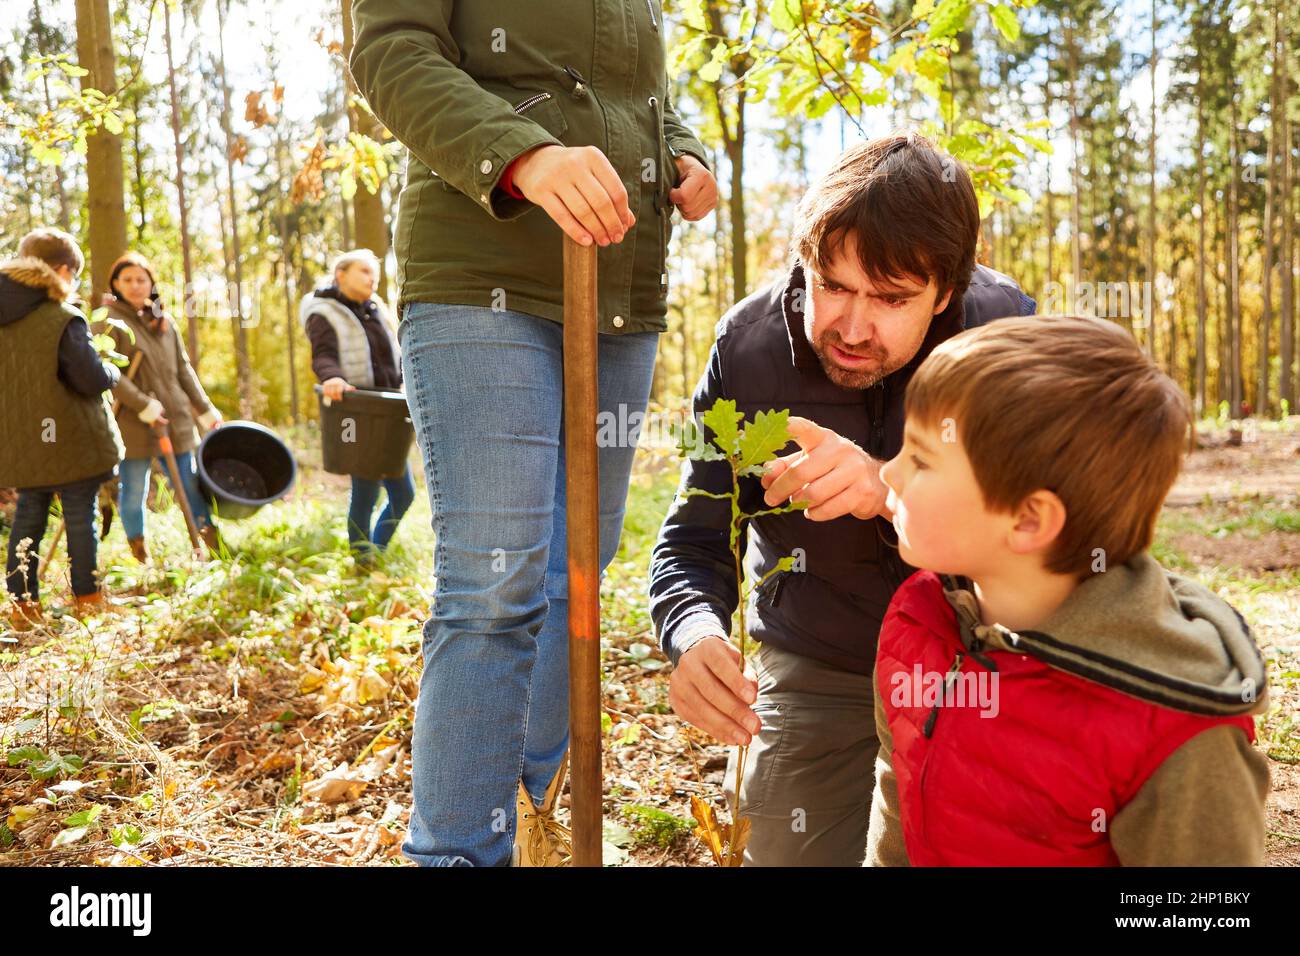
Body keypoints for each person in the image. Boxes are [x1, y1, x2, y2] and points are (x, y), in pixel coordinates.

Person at [350, 0, 717, 866]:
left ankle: (534, 815)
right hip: (481, 277)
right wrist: (524, 156)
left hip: (620, 290)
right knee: (495, 584)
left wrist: (684, 152)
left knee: (575, 573)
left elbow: (641, 95)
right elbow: (392, 52)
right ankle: (457, 852)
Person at [648, 133, 1036, 865]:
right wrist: (693, 633)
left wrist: (891, 493)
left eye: (891, 299)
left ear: (947, 291)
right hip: (819, 666)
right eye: (833, 286)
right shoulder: (747, 348)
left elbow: (1049, 538)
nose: (853, 328)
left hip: (980, 665)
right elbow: (693, 536)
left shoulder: (1006, 337)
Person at [867, 315, 1270, 865]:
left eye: (921, 458)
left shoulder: (1174, 730)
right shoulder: (919, 620)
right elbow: (898, 803)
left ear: (1028, 520)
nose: (888, 473)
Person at [1, 228, 125, 626]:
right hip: (67, 437)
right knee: (79, 515)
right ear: (60, 270)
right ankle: (87, 600)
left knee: (28, 515)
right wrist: (111, 373)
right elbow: (88, 378)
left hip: (23, 439)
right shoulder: (62, 318)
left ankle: (23, 606)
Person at [101, 252, 222, 560]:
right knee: (134, 490)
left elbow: (183, 370)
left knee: (190, 484)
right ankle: (140, 555)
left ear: (151, 283)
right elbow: (108, 372)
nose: (135, 285)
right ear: (115, 283)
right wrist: (142, 405)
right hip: (132, 420)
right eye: (127, 279)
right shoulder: (108, 321)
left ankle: (208, 546)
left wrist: (205, 409)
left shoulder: (164, 322)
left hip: (176, 418)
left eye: (141, 279)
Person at [301, 248, 413, 564]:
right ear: (340, 275)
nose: (371, 277)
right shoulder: (324, 311)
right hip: (358, 410)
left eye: (374, 273)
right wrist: (332, 377)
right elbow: (322, 353)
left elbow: (396, 355)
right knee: (367, 491)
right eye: (363, 271)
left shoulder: (377, 310)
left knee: (404, 494)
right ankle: (363, 562)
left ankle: (373, 551)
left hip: (388, 410)